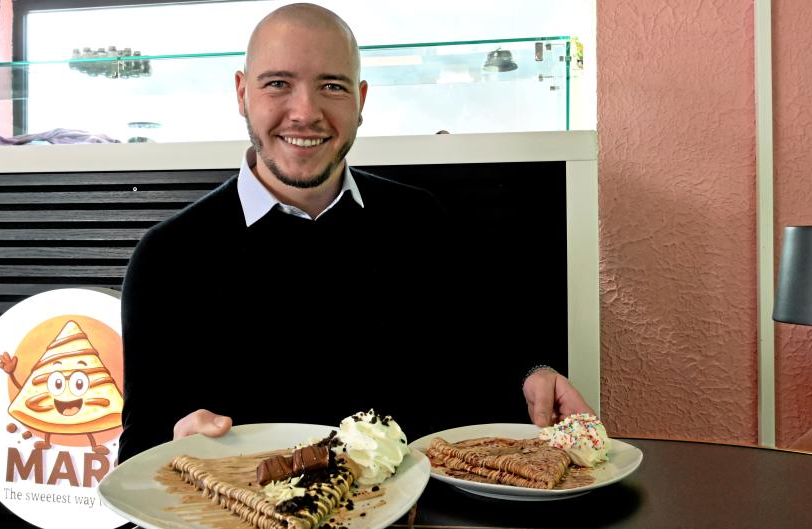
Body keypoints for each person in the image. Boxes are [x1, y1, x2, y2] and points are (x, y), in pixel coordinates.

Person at [118, 3, 591, 462]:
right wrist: (173, 440)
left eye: (331, 86)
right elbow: (138, 446)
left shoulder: (420, 220)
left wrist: (533, 374)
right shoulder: (167, 257)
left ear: (361, 100)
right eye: (278, 84)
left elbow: (482, 357)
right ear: (242, 93)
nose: (305, 112)